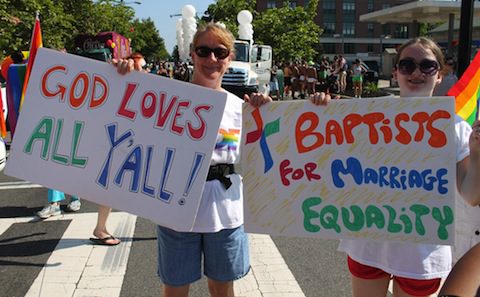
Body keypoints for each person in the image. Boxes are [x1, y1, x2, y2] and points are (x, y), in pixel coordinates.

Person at [114, 23, 272, 297]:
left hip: (225, 210)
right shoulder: (167, 100)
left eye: (220, 52)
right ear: (192, 54)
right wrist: (122, 79)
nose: (212, 59)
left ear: (230, 57)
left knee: (222, 289)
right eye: (204, 50)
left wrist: (274, 112)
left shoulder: (241, 108)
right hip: (175, 208)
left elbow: (274, 149)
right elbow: (123, 118)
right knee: (175, 289)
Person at [337, 37, 480, 297]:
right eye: (407, 65)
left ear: (439, 75)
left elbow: (471, 195)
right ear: (396, 72)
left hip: (422, 256)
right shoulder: (364, 117)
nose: (416, 72)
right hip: (368, 244)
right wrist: (314, 109)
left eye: (427, 66)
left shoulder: (456, 128)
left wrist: (478, 153)